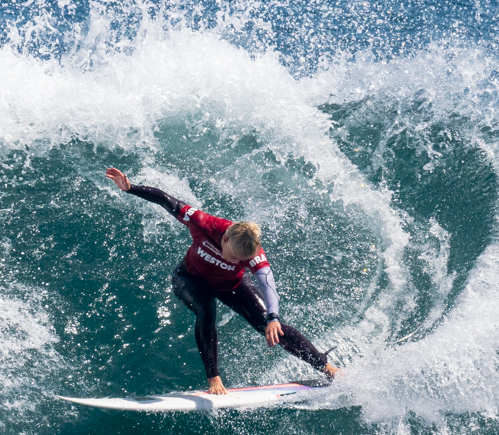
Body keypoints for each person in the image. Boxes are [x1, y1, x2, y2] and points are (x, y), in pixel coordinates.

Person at [105, 167, 339, 395]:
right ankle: (214, 378)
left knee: (272, 328)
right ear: (225, 239)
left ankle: (325, 367)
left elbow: (268, 284)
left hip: (231, 286)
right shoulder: (202, 223)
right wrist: (130, 188)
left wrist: (273, 318)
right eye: (235, 257)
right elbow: (166, 200)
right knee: (206, 311)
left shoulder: (254, 253)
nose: (238, 262)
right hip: (189, 278)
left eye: (243, 260)